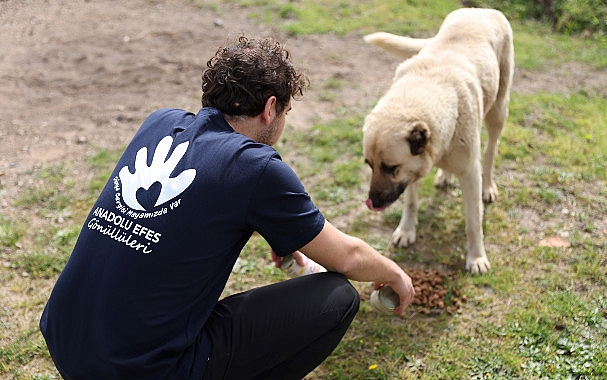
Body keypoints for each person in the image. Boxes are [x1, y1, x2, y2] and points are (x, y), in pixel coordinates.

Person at [40, 35, 415, 380]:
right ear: (270, 109)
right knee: (336, 298)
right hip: (142, 370)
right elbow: (347, 257)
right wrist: (394, 273)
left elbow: (197, 203)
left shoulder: (160, 122)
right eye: (285, 113)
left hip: (67, 343)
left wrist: (280, 231)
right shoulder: (255, 166)